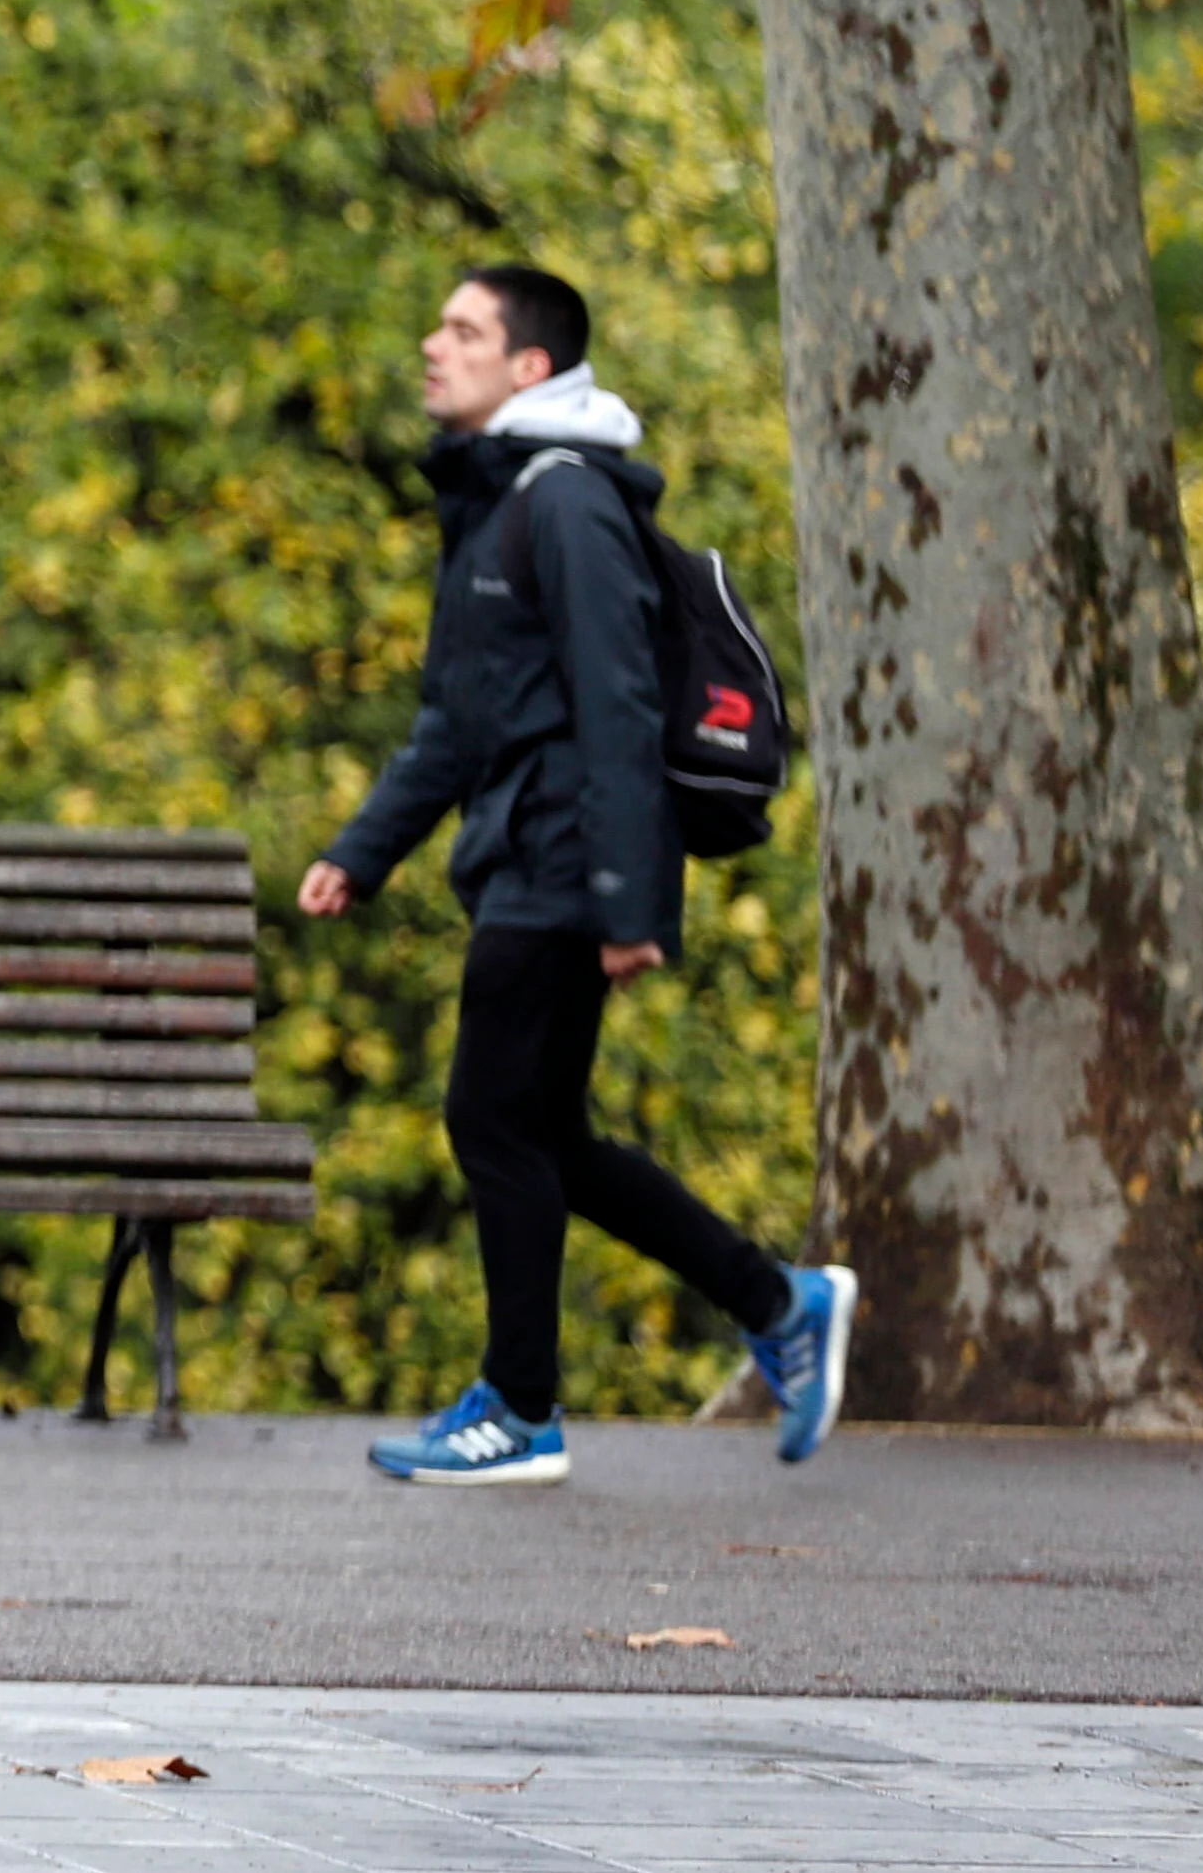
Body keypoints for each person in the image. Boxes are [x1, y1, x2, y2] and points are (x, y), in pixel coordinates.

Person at [301, 264, 856, 1485]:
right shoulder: (498, 505)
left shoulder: (566, 501)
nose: (432, 346)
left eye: (462, 330)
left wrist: (628, 900)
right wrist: (361, 849)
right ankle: (778, 1300)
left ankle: (521, 1406)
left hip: (563, 857)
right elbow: (455, 719)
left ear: (530, 366)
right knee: (548, 1131)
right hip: (526, 846)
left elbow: (620, 700)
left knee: (490, 1116)